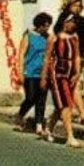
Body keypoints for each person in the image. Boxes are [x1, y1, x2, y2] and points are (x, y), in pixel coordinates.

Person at [51, 0, 84, 124]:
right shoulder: (63, 19)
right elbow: (56, 36)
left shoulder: (83, 20)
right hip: (64, 59)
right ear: (68, 6)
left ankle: (69, 111)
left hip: (79, 57)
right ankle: (81, 112)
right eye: (74, 5)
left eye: (79, 6)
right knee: (74, 84)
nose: (77, 8)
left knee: (74, 84)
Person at [12, 12, 54, 140]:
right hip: (29, 72)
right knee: (31, 97)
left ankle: (39, 125)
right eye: (45, 26)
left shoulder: (48, 37)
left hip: (42, 73)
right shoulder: (29, 36)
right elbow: (21, 54)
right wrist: (19, 72)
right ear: (39, 25)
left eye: (48, 26)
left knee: (41, 100)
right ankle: (20, 115)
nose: (46, 29)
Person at [45, 13, 84, 148]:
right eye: (70, 21)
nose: (73, 24)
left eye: (74, 22)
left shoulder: (75, 37)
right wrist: (44, 78)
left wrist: (78, 73)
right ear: (64, 22)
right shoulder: (54, 38)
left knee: (61, 105)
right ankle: (70, 136)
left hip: (71, 73)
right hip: (58, 74)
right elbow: (47, 58)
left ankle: (48, 127)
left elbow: (77, 56)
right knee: (66, 104)